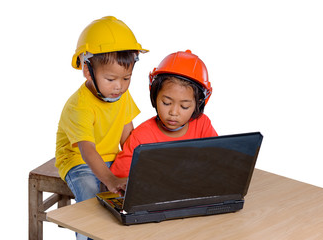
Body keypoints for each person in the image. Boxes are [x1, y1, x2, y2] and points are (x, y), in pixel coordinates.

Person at [55, 16, 148, 207]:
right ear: (88, 71)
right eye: (111, 79)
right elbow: (87, 151)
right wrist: (110, 180)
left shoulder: (122, 95)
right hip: (78, 162)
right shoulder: (79, 106)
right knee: (89, 196)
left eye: (126, 78)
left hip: (111, 158)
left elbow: (127, 134)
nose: (119, 87)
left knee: (141, 187)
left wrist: (142, 162)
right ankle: (86, 236)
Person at [110, 50, 218, 178]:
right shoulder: (140, 137)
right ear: (155, 96)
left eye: (184, 106)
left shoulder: (202, 125)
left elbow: (218, 159)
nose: (173, 112)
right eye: (166, 103)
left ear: (198, 104)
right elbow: (118, 177)